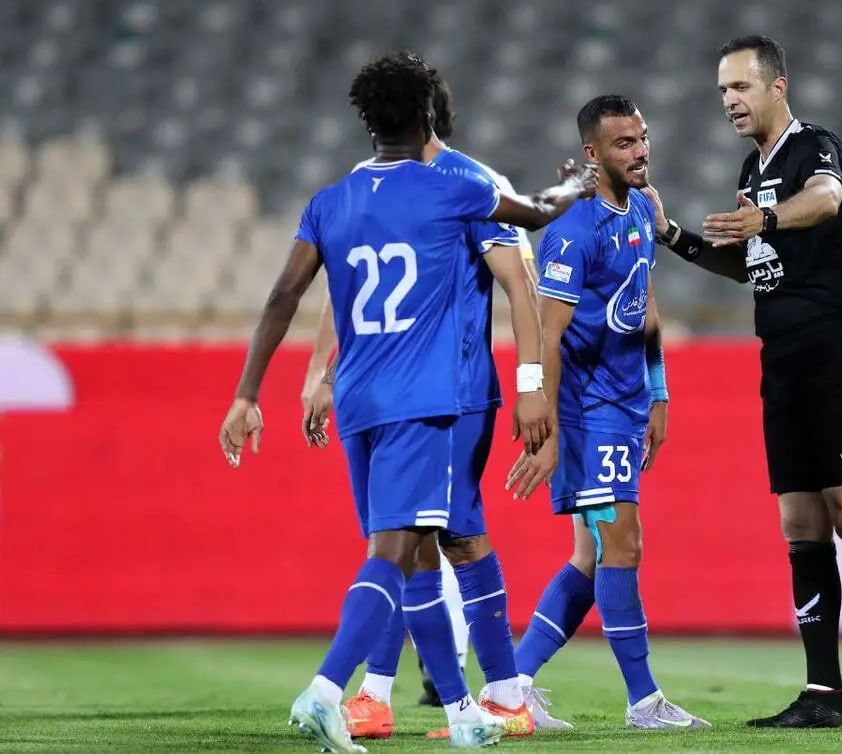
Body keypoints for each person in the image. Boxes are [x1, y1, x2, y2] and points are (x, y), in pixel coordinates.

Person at [218, 51, 594, 752]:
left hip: (359, 396)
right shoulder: (454, 188)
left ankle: (462, 710)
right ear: (427, 115)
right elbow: (538, 215)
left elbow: (284, 295)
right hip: (423, 400)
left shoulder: (330, 200)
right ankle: (330, 689)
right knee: (402, 551)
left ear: (365, 122)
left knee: (418, 549)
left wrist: (251, 393)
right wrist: (575, 184)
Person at [646, 35, 842, 730]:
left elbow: (825, 199)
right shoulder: (752, 167)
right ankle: (825, 693)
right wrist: (672, 234)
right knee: (801, 524)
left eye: (741, 86)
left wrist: (765, 216)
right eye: (722, 90)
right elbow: (749, 262)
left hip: (832, 352)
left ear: (777, 86)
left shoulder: (815, 148)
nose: (730, 100)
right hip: (783, 358)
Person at [300, 64, 541, 741]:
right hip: (394, 387)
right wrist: (324, 372)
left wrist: (531, 384)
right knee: (408, 537)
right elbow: (343, 289)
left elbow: (518, 282)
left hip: (456, 391)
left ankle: (499, 694)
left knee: (451, 533)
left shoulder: (472, 182)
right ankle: (390, 695)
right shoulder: (369, 181)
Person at [505, 95, 709, 731]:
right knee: (623, 542)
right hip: (587, 408)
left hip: (624, 402)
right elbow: (548, 334)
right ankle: (644, 700)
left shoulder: (644, 207)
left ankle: (512, 687)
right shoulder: (574, 231)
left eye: (642, 138)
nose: (640, 151)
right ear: (592, 154)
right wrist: (547, 430)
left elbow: (644, 305)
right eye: (624, 144)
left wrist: (659, 391)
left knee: (591, 558)